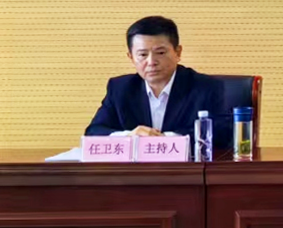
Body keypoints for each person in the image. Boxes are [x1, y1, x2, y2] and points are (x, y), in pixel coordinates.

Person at [85, 16, 231, 149]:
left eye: (160, 53)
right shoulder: (120, 88)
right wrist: (128, 136)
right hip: (135, 169)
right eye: (143, 54)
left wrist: (166, 140)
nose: (151, 62)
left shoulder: (206, 87)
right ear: (131, 57)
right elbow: (93, 132)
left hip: (185, 168)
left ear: (178, 52)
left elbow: (223, 132)